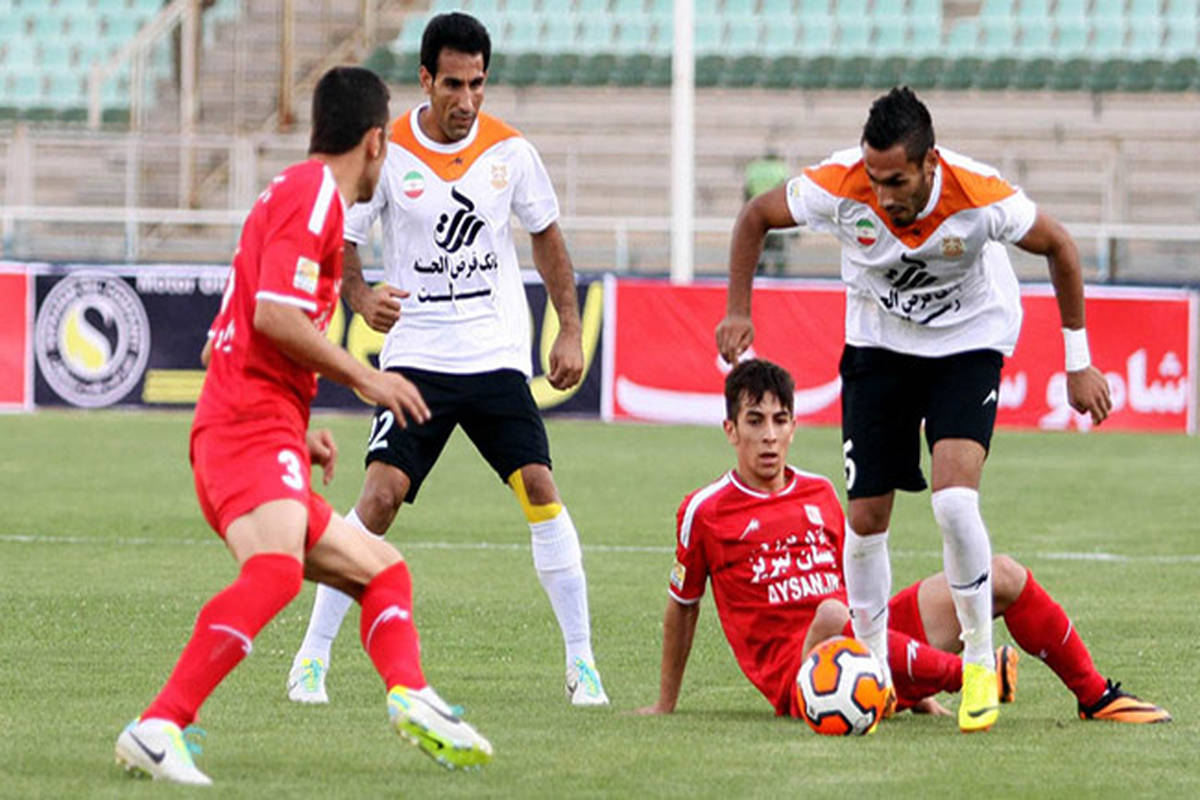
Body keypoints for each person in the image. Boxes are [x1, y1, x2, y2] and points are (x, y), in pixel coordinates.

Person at [114, 67, 493, 785]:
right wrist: (367, 378)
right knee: (276, 572)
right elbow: (273, 317)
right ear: (375, 142)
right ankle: (159, 723)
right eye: (388, 145)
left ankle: (412, 696)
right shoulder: (314, 195)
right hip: (243, 430)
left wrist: (295, 430)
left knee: (383, 572)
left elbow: (224, 344)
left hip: (254, 428)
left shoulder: (290, 195)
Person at [715, 87, 1114, 733]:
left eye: (896, 181)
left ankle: (979, 663)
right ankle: (872, 667)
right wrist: (738, 309)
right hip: (879, 344)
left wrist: (1078, 362)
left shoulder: (978, 194)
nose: (883, 195)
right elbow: (756, 215)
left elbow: (1061, 246)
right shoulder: (841, 184)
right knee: (867, 519)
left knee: (954, 502)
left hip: (968, 340)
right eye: (874, 179)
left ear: (930, 164)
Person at [287, 12, 608, 708]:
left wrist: (569, 329)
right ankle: (310, 658)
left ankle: (583, 664)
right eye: (454, 84)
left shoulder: (511, 152)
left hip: (494, 359)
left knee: (540, 486)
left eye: (478, 84)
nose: (467, 100)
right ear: (426, 79)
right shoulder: (389, 150)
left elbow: (547, 237)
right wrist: (359, 295)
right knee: (379, 499)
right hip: (417, 361)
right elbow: (345, 235)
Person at [636, 359, 1169, 727]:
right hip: (801, 673)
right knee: (830, 614)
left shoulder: (820, 492)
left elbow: (857, 587)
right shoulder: (705, 510)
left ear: (794, 427)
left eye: (780, 421)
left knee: (1000, 573)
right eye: (755, 422)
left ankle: (1095, 695)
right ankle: (971, 675)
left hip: (870, 640)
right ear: (731, 430)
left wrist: (915, 690)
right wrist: (665, 704)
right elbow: (683, 606)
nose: (769, 435)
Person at [743, 150, 791, 275]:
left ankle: (758, 275)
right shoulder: (780, 168)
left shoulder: (753, 168)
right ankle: (780, 275)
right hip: (776, 213)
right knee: (778, 248)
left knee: (759, 248)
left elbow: (747, 192)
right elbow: (785, 191)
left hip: (757, 213)